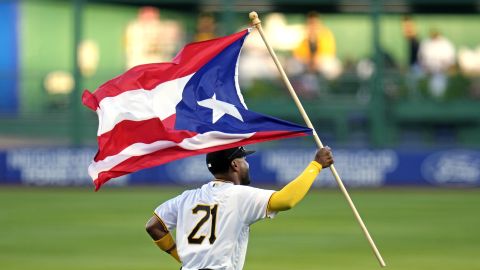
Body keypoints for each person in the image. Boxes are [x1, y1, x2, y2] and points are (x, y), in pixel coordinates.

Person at [146, 146, 334, 270]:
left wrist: (180, 256)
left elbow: (153, 225)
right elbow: (286, 200)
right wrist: (315, 165)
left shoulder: (187, 197)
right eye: (244, 159)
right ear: (235, 165)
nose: (247, 164)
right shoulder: (239, 196)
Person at [418, 29, 455, 99]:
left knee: (439, 81)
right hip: (427, 70)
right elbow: (421, 60)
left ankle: (440, 99)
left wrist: (444, 69)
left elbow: (451, 62)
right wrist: (426, 69)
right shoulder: (426, 43)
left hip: (442, 71)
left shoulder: (446, 44)